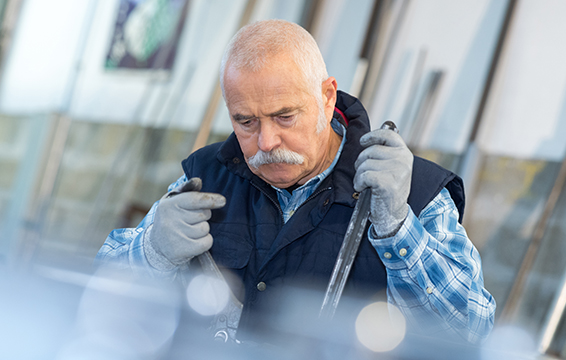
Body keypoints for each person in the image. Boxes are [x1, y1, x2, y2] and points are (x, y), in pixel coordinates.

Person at [96, 19, 495, 345]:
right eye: (245, 121)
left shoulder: (414, 192)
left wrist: (398, 231)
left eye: (284, 116)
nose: (266, 142)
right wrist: (150, 253)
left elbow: (470, 333)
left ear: (326, 97)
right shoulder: (205, 176)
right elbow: (96, 297)